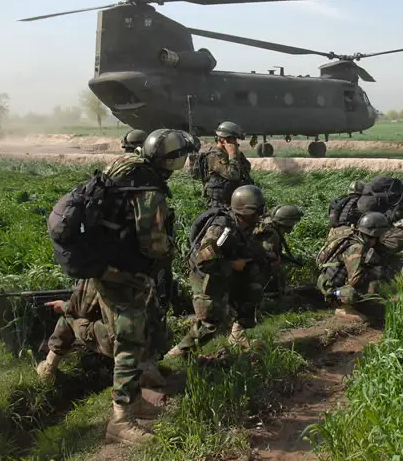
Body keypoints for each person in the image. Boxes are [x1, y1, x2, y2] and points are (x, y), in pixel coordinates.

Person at [95, 128, 194, 444]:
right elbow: (153, 246)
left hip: (108, 265)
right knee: (129, 341)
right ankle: (121, 420)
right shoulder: (151, 191)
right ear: (170, 161)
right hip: (123, 274)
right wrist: (171, 250)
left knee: (133, 334)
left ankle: (135, 399)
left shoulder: (126, 169)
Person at [166, 185, 266, 358]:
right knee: (209, 323)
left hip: (223, 272)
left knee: (251, 290)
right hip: (206, 275)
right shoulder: (222, 229)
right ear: (247, 210)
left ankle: (237, 336)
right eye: (257, 210)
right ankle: (177, 354)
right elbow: (204, 262)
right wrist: (233, 265)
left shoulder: (243, 224)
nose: (260, 214)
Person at [316, 212, 391, 322]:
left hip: (326, 279)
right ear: (375, 235)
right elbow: (354, 280)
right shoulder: (356, 248)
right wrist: (374, 272)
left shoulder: (348, 233)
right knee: (358, 292)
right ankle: (341, 308)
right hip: (333, 290)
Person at [35, 279, 114, 382]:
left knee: (69, 318)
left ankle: (48, 370)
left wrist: (63, 305)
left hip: (121, 341)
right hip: (140, 339)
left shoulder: (99, 268)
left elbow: (80, 309)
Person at [251, 204, 305, 298]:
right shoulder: (272, 234)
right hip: (254, 271)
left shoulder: (269, 225)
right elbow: (266, 257)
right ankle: (273, 292)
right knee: (276, 264)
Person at [199, 121, 254, 208]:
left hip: (234, 201)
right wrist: (232, 156)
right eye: (234, 139)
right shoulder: (214, 156)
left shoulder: (230, 153)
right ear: (224, 140)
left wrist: (238, 155)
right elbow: (233, 175)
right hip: (220, 205)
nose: (236, 143)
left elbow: (247, 168)